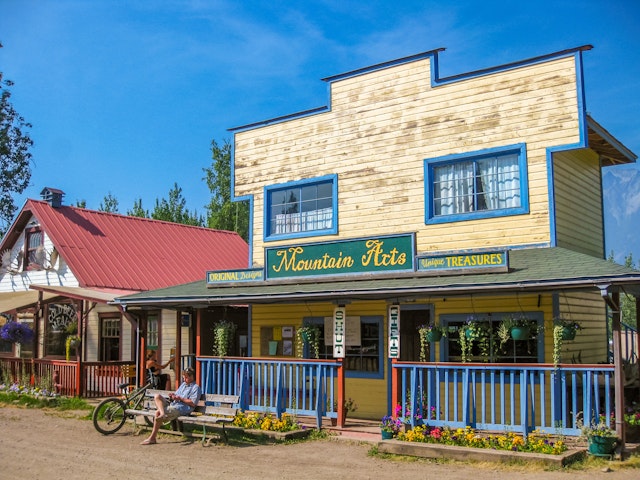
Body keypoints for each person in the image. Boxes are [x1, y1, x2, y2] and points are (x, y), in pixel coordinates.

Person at [140, 367, 201, 445]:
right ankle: (163, 414)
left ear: (192, 377)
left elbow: (193, 403)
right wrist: (173, 396)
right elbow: (177, 395)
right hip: (173, 404)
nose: (184, 379)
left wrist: (180, 398)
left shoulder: (196, 388)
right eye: (183, 377)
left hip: (181, 408)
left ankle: (152, 438)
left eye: (186, 377)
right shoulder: (183, 385)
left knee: (157, 413)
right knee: (157, 396)